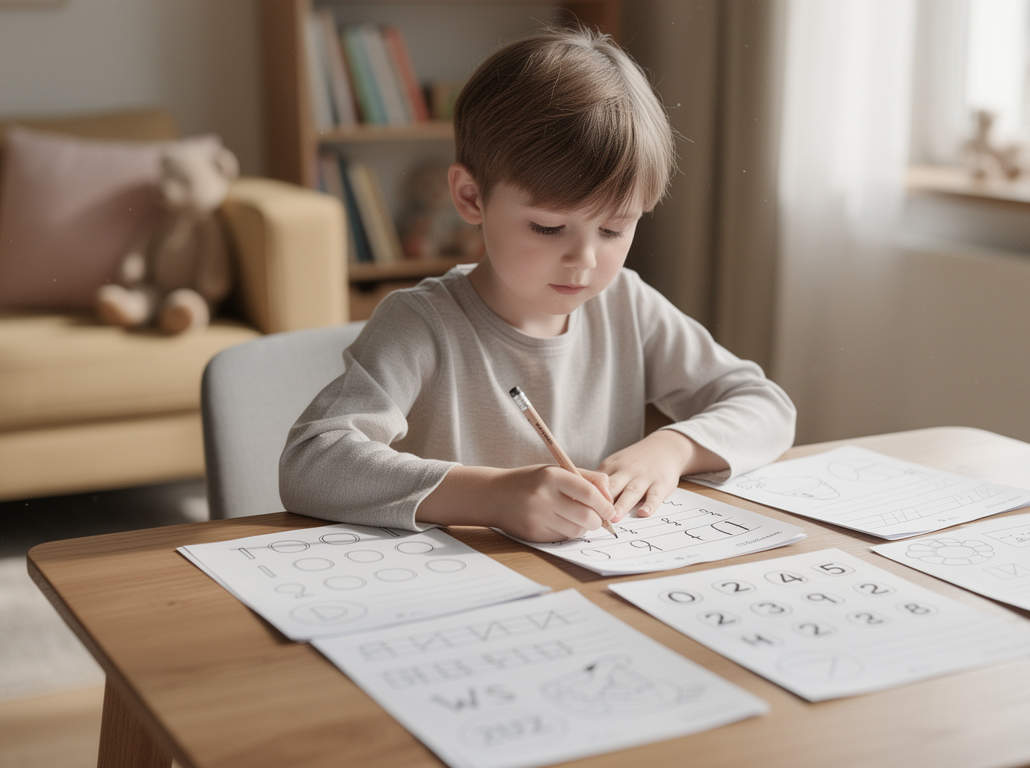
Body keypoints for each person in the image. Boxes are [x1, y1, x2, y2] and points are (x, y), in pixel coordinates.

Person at [280, 26, 795, 542]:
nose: (584, 259)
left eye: (615, 228)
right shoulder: (421, 325)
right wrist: (492, 498)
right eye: (548, 227)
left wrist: (673, 448)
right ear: (470, 197)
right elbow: (310, 462)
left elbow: (766, 406)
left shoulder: (627, 306)